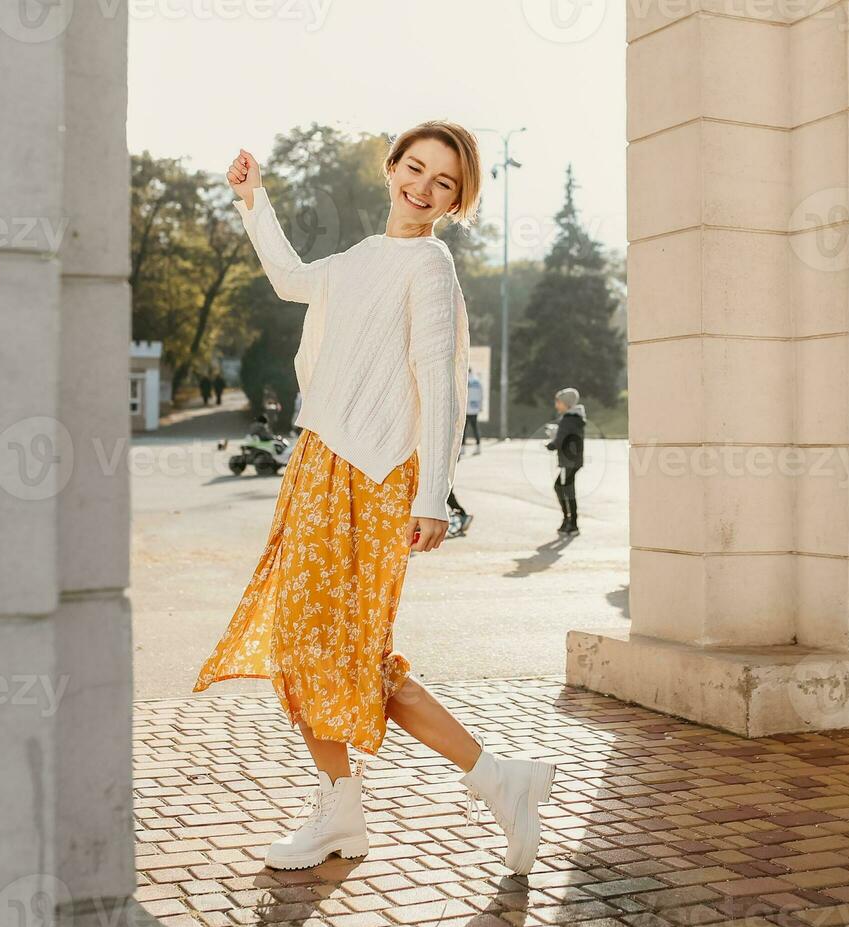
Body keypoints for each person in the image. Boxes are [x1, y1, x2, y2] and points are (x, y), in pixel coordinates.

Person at [194, 124, 555, 876]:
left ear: (457, 201)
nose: (423, 187)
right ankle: (368, 806)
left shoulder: (427, 266)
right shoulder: (363, 258)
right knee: (308, 646)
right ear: (389, 168)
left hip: (375, 475)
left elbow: (442, 385)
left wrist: (433, 495)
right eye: (414, 168)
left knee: (333, 650)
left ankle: (466, 787)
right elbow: (292, 279)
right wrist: (251, 197)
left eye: (444, 182)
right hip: (318, 463)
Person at [546, 387, 586, 536]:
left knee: (563, 489)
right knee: (565, 488)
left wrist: (550, 444)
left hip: (568, 461)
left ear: (566, 404)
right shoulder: (576, 418)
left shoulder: (568, 419)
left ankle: (571, 522)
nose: (557, 405)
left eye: (559, 402)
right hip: (574, 461)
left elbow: (559, 440)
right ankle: (569, 520)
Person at [463, 368, 484, 454]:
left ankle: (462, 448)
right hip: (475, 409)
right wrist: (480, 407)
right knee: (475, 428)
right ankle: (478, 447)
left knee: (464, 429)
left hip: (466, 409)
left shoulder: (466, 380)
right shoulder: (478, 381)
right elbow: (481, 395)